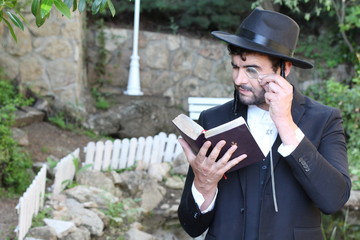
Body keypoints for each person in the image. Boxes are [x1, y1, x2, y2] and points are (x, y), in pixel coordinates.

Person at [177, 8, 351, 240]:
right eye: (235, 67)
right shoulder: (213, 120)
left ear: (284, 68)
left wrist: (286, 124)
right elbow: (191, 226)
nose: (239, 79)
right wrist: (203, 185)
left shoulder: (324, 120)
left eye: (251, 70)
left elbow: (334, 200)